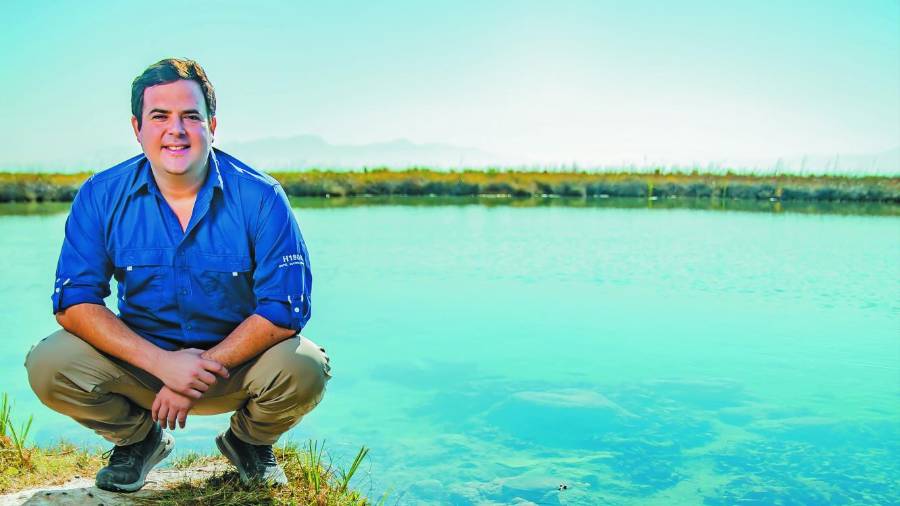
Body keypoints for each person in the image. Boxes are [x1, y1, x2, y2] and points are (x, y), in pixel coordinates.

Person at [24, 58, 331, 493]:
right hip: (142, 369)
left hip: (237, 368)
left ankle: (248, 442)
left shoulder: (261, 197)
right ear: (137, 128)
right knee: (48, 364)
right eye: (160, 116)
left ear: (212, 125)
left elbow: (286, 309)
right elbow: (75, 302)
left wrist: (200, 371)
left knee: (306, 366)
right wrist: (164, 365)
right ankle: (138, 440)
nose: (177, 129)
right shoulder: (101, 195)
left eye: (191, 116)